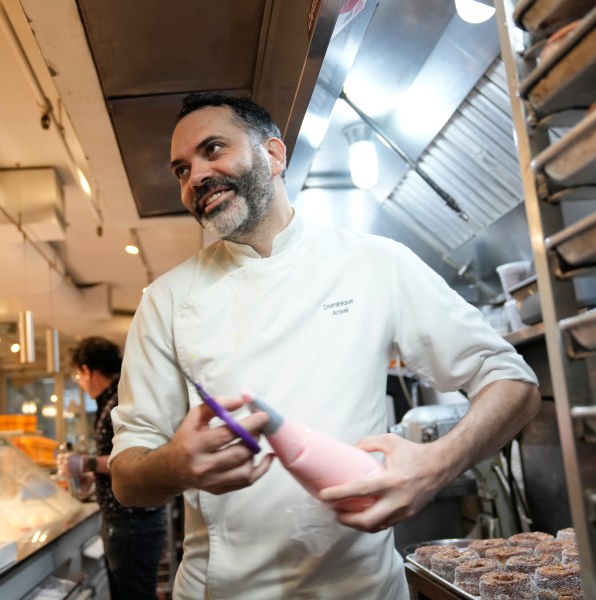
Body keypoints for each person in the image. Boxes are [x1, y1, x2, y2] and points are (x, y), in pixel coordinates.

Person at [109, 92, 542, 599]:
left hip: (365, 588)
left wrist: (435, 465)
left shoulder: (375, 262)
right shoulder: (166, 301)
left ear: (273, 155)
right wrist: (174, 465)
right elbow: (126, 477)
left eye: (213, 149)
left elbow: (514, 381)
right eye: (181, 170)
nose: (196, 177)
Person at [59, 337, 167, 599]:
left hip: (133, 522)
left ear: (86, 370)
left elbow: (139, 456)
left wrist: (84, 463)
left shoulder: (119, 400)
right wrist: (93, 474)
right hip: (129, 522)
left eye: (78, 375)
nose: (81, 382)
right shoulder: (115, 399)